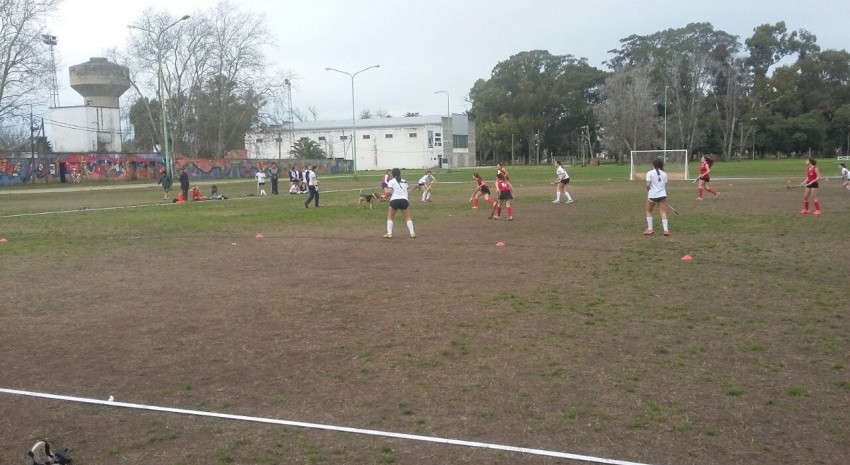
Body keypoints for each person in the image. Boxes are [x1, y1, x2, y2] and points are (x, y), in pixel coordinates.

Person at [382, 167, 416, 238]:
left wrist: (385, 193)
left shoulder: (391, 181)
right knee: (407, 218)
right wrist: (416, 187)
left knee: (390, 218)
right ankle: (412, 233)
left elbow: (390, 191)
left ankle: (389, 233)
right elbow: (408, 191)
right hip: (404, 200)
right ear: (400, 173)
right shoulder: (405, 181)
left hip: (394, 200)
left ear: (393, 174)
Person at [644, 158, 670, 236]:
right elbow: (665, 186)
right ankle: (666, 230)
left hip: (652, 195)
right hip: (662, 195)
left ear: (653, 165)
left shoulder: (649, 173)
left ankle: (650, 229)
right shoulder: (664, 174)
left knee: (649, 211)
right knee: (663, 212)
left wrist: (649, 191)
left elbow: (648, 185)